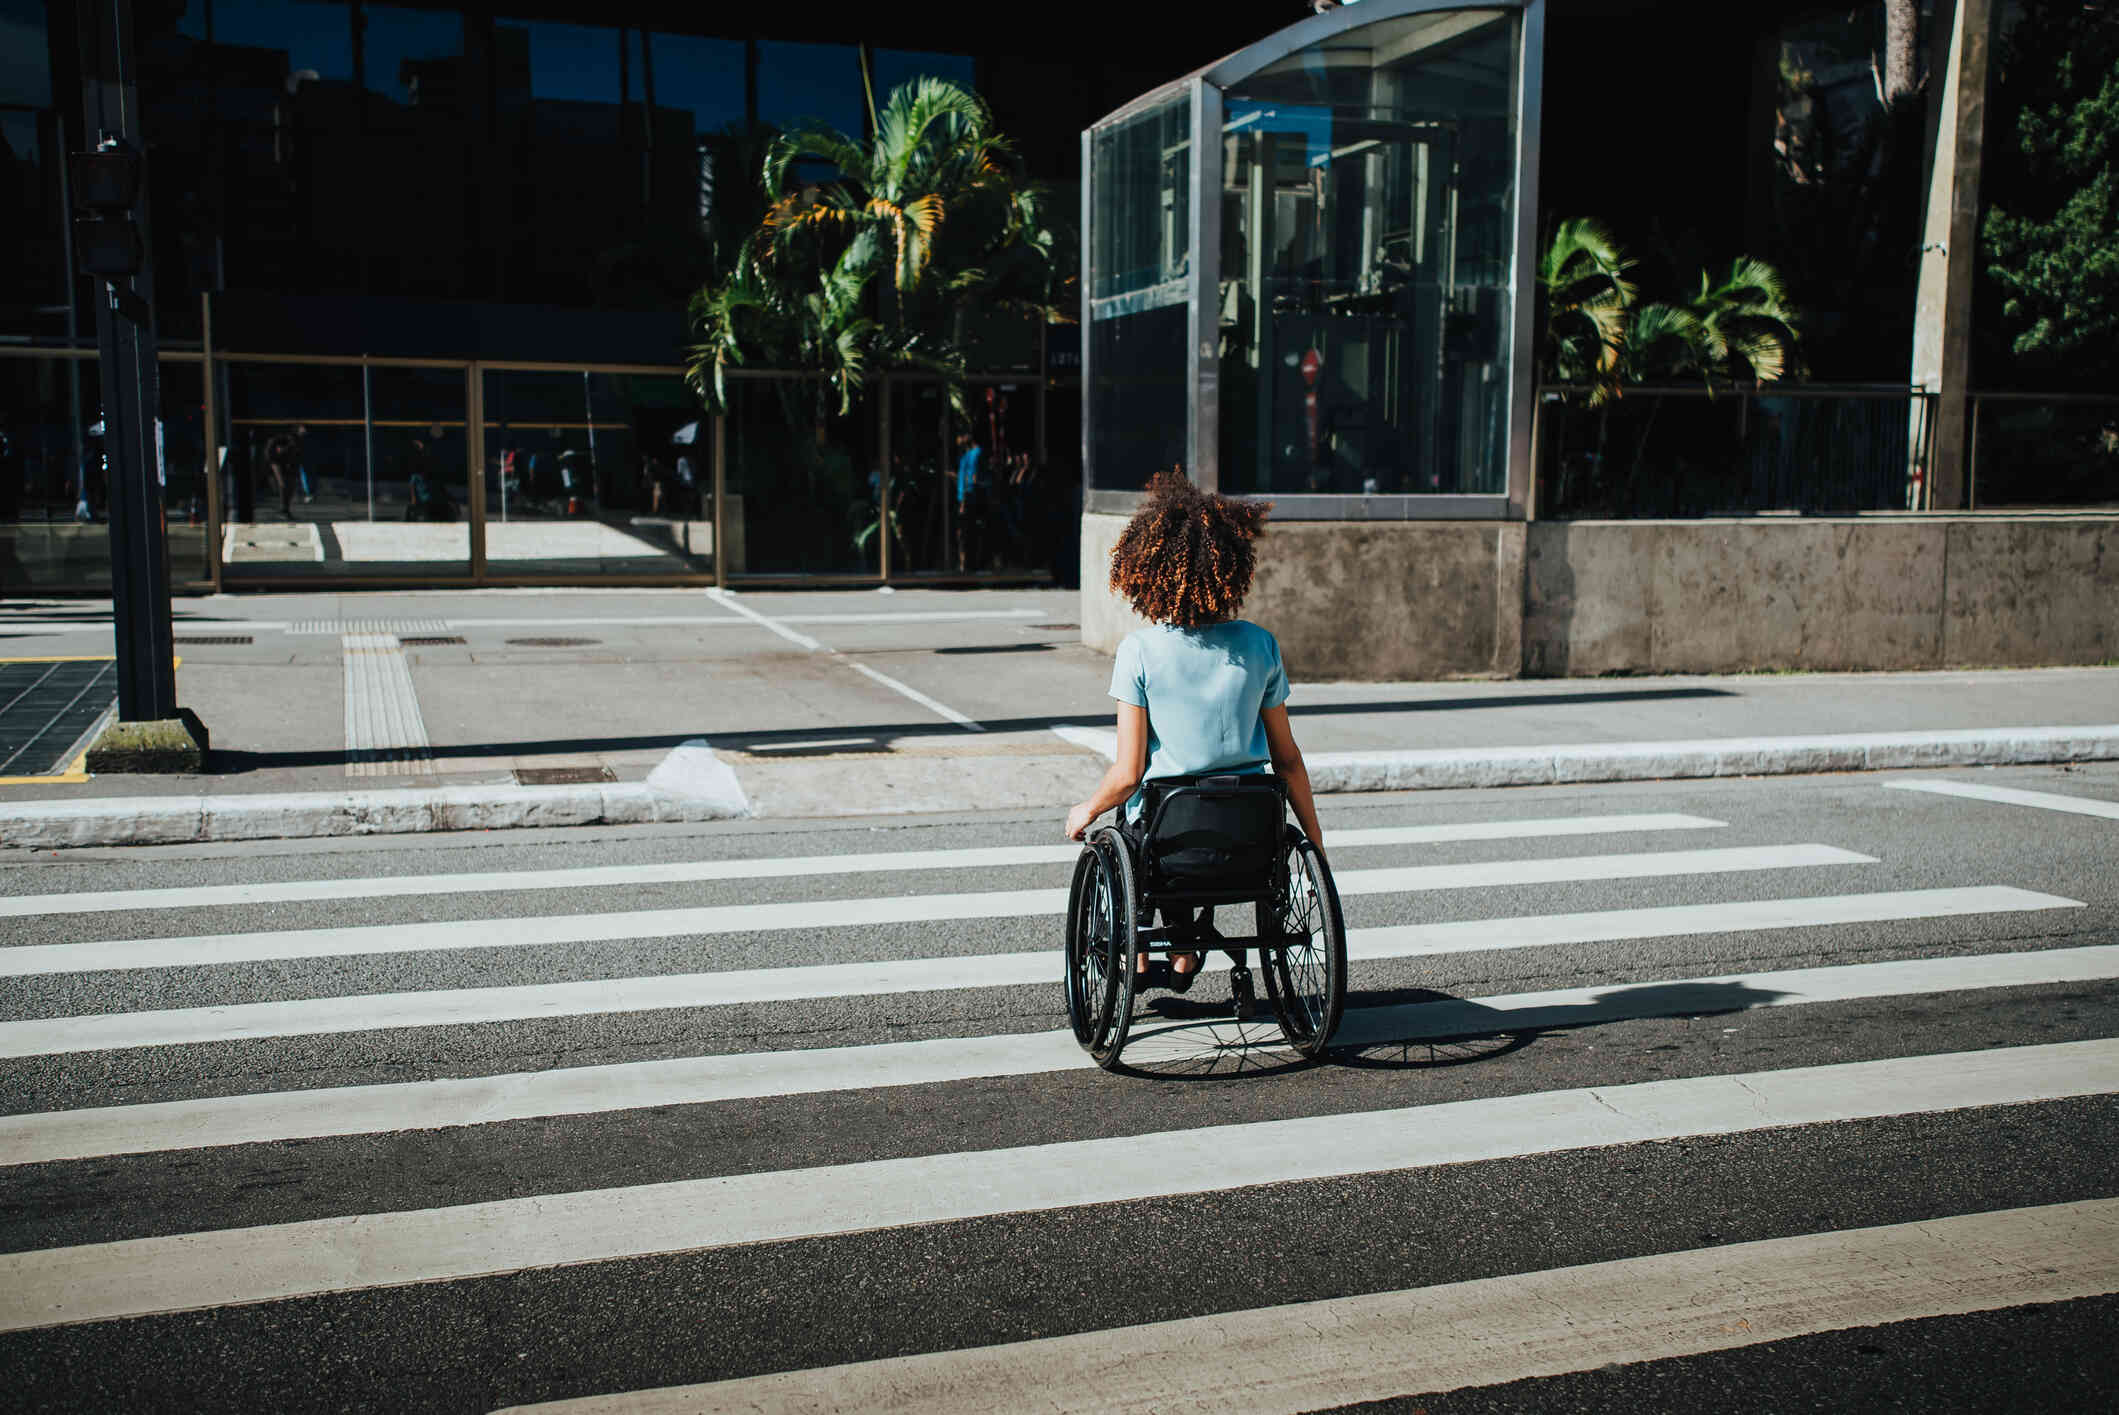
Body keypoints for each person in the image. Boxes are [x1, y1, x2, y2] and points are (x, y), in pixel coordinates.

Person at [1064, 470, 1325, 988]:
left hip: (1174, 836)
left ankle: (1145, 950)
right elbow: (1288, 760)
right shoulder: (1260, 645)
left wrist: (1085, 809)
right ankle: (1186, 950)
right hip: (1253, 835)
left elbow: (1128, 773)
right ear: (1229, 568)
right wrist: (1315, 845)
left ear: (1149, 569)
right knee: (1190, 818)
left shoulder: (1139, 651)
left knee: (1134, 827)